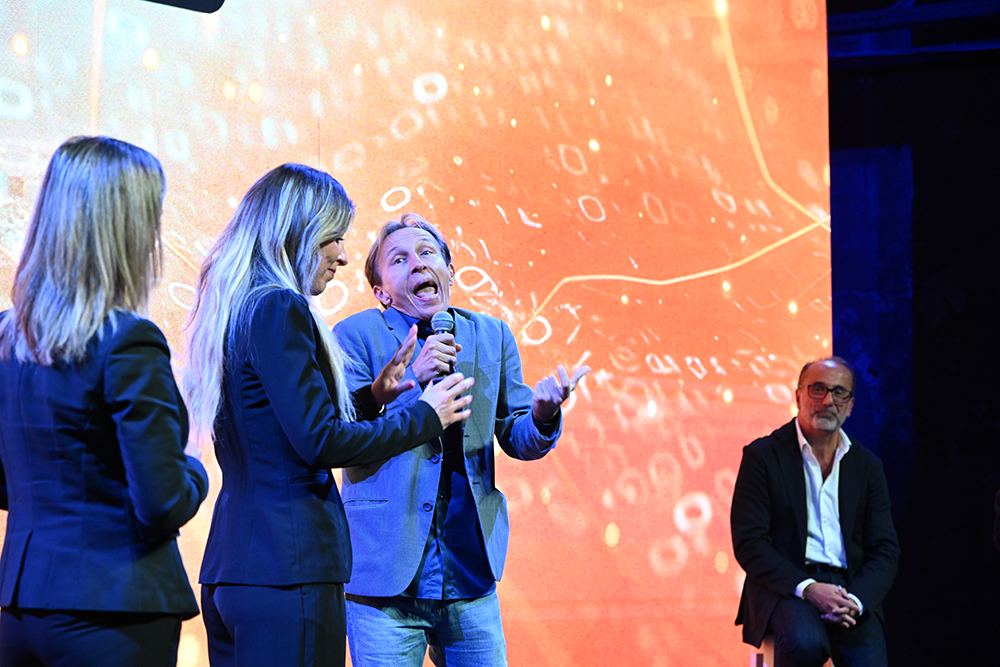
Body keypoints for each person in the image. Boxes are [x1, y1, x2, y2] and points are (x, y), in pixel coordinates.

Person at [183, 166, 474, 667]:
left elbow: (279, 426)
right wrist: (426, 416)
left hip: (237, 571)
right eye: (334, 238)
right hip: (290, 568)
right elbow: (319, 441)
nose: (342, 256)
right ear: (296, 232)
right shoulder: (280, 307)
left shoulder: (236, 307)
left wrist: (372, 396)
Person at [333, 212, 589, 666]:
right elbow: (344, 435)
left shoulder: (492, 335)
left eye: (427, 253)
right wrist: (413, 379)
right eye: (399, 259)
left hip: (468, 572)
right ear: (381, 292)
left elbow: (516, 436)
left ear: (449, 272)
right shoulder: (355, 336)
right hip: (384, 579)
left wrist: (543, 415)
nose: (418, 263)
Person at [0, 136, 208, 667]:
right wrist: (194, 468)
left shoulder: (6, 337)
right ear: (130, 230)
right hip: (116, 611)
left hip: (20, 611)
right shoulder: (128, 340)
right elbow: (163, 504)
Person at [731, 356, 900, 667]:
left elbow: (885, 549)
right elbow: (750, 543)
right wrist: (808, 588)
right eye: (818, 389)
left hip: (848, 588)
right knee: (805, 643)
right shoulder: (762, 456)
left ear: (850, 406)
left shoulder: (867, 466)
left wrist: (856, 600)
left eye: (839, 393)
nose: (828, 401)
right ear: (798, 396)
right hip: (787, 586)